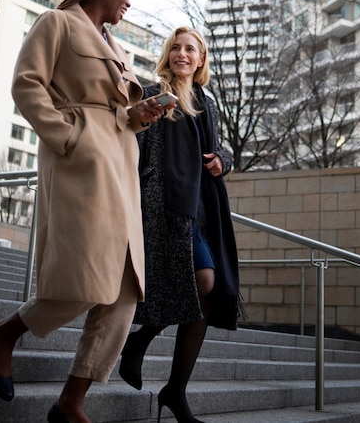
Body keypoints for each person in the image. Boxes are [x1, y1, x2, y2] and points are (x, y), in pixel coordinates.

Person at [0, 0, 170, 423]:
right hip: (82, 166)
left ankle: (71, 402)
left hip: (120, 166)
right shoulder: (57, 23)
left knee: (126, 289)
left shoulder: (117, 48)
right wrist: (69, 137)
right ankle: (4, 336)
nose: (128, 1)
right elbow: (26, 84)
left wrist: (142, 115)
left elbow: (121, 112)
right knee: (83, 278)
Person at [119, 26, 242, 423]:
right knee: (202, 282)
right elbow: (131, 142)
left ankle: (176, 389)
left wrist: (223, 159)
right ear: (169, 55)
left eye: (190, 49)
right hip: (167, 206)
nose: (182, 54)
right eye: (176, 47)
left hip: (205, 207)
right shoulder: (155, 94)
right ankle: (139, 341)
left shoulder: (208, 103)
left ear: (201, 59)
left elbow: (220, 149)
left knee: (207, 292)